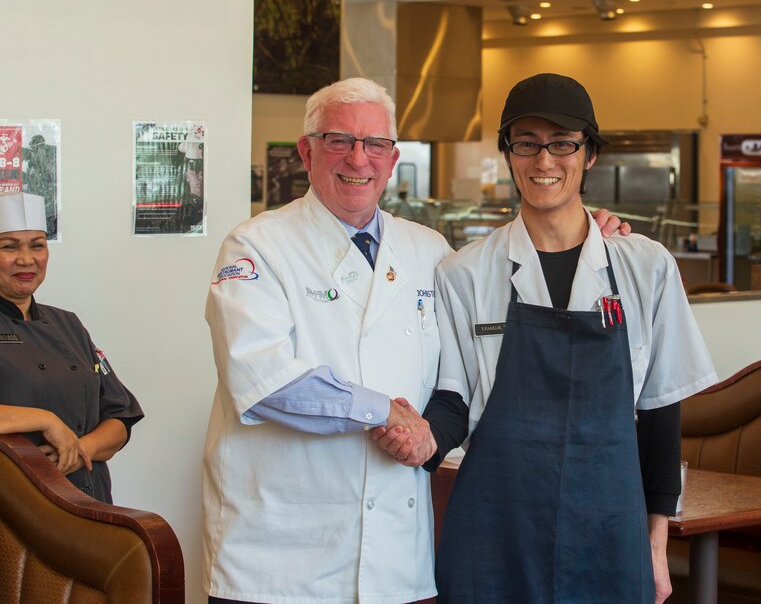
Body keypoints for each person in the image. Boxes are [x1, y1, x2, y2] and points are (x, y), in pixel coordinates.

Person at [202, 77, 627, 604]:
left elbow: (460, 378)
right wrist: (385, 412)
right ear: (306, 153)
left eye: (374, 144)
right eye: (339, 140)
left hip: (396, 559)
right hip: (281, 556)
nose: (359, 159)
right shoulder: (256, 246)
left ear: (393, 157)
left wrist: (591, 232)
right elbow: (262, 381)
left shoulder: (429, 250)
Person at [376, 73, 717, 603]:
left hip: (610, 525)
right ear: (509, 156)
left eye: (562, 144)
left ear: (589, 155)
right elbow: (452, 399)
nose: (544, 161)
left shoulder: (644, 267)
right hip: (495, 527)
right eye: (527, 144)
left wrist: (655, 544)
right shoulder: (464, 272)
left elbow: (658, 414)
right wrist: (414, 437)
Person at [0, 192, 143, 503]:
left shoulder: (68, 324)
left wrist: (80, 450)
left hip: (89, 503)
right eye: (9, 246)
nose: (26, 259)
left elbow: (120, 414)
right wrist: (45, 420)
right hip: (16, 511)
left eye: (37, 245)